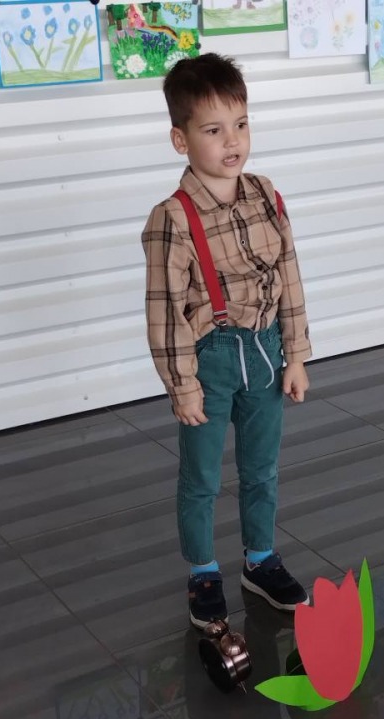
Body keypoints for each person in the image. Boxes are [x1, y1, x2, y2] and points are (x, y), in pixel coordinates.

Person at [142, 53, 312, 629]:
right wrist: (182, 385)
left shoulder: (266, 194)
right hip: (209, 360)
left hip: (265, 353)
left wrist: (296, 355)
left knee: (262, 467)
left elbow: (289, 276)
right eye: (213, 130)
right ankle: (204, 571)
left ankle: (260, 559)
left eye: (240, 124)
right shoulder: (172, 218)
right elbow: (165, 311)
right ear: (180, 140)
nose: (232, 140)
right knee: (203, 477)